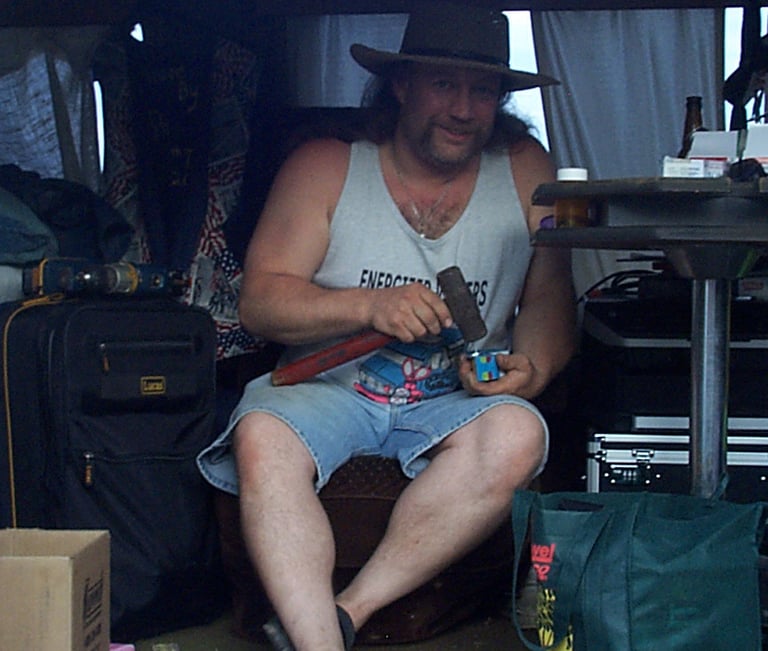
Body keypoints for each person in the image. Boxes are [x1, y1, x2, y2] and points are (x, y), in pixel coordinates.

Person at [197, 3, 576, 650]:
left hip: (457, 397)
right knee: (261, 436)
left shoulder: (526, 169)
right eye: (444, 84)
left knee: (519, 432)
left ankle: (346, 613)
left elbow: (548, 299)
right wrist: (367, 307)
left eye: (483, 90)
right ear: (400, 84)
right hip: (327, 389)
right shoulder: (325, 165)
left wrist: (530, 368)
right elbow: (260, 302)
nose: (464, 109)